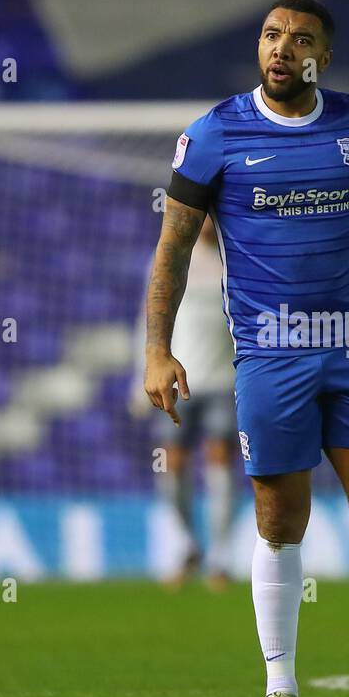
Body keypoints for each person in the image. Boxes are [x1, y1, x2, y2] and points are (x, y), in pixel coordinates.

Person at [143, 0, 349, 697]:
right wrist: (157, 350)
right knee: (278, 519)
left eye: (300, 39)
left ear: (323, 57)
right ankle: (280, 690)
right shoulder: (215, 133)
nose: (281, 48)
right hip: (269, 355)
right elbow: (174, 248)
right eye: (270, 35)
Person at [132, 216, 239, 590]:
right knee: (171, 462)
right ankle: (188, 544)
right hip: (179, 379)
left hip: (224, 380)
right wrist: (142, 374)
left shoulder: (235, 257)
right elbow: (148, 320)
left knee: (220, 457)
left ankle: (221, 557)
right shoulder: (173, 256)